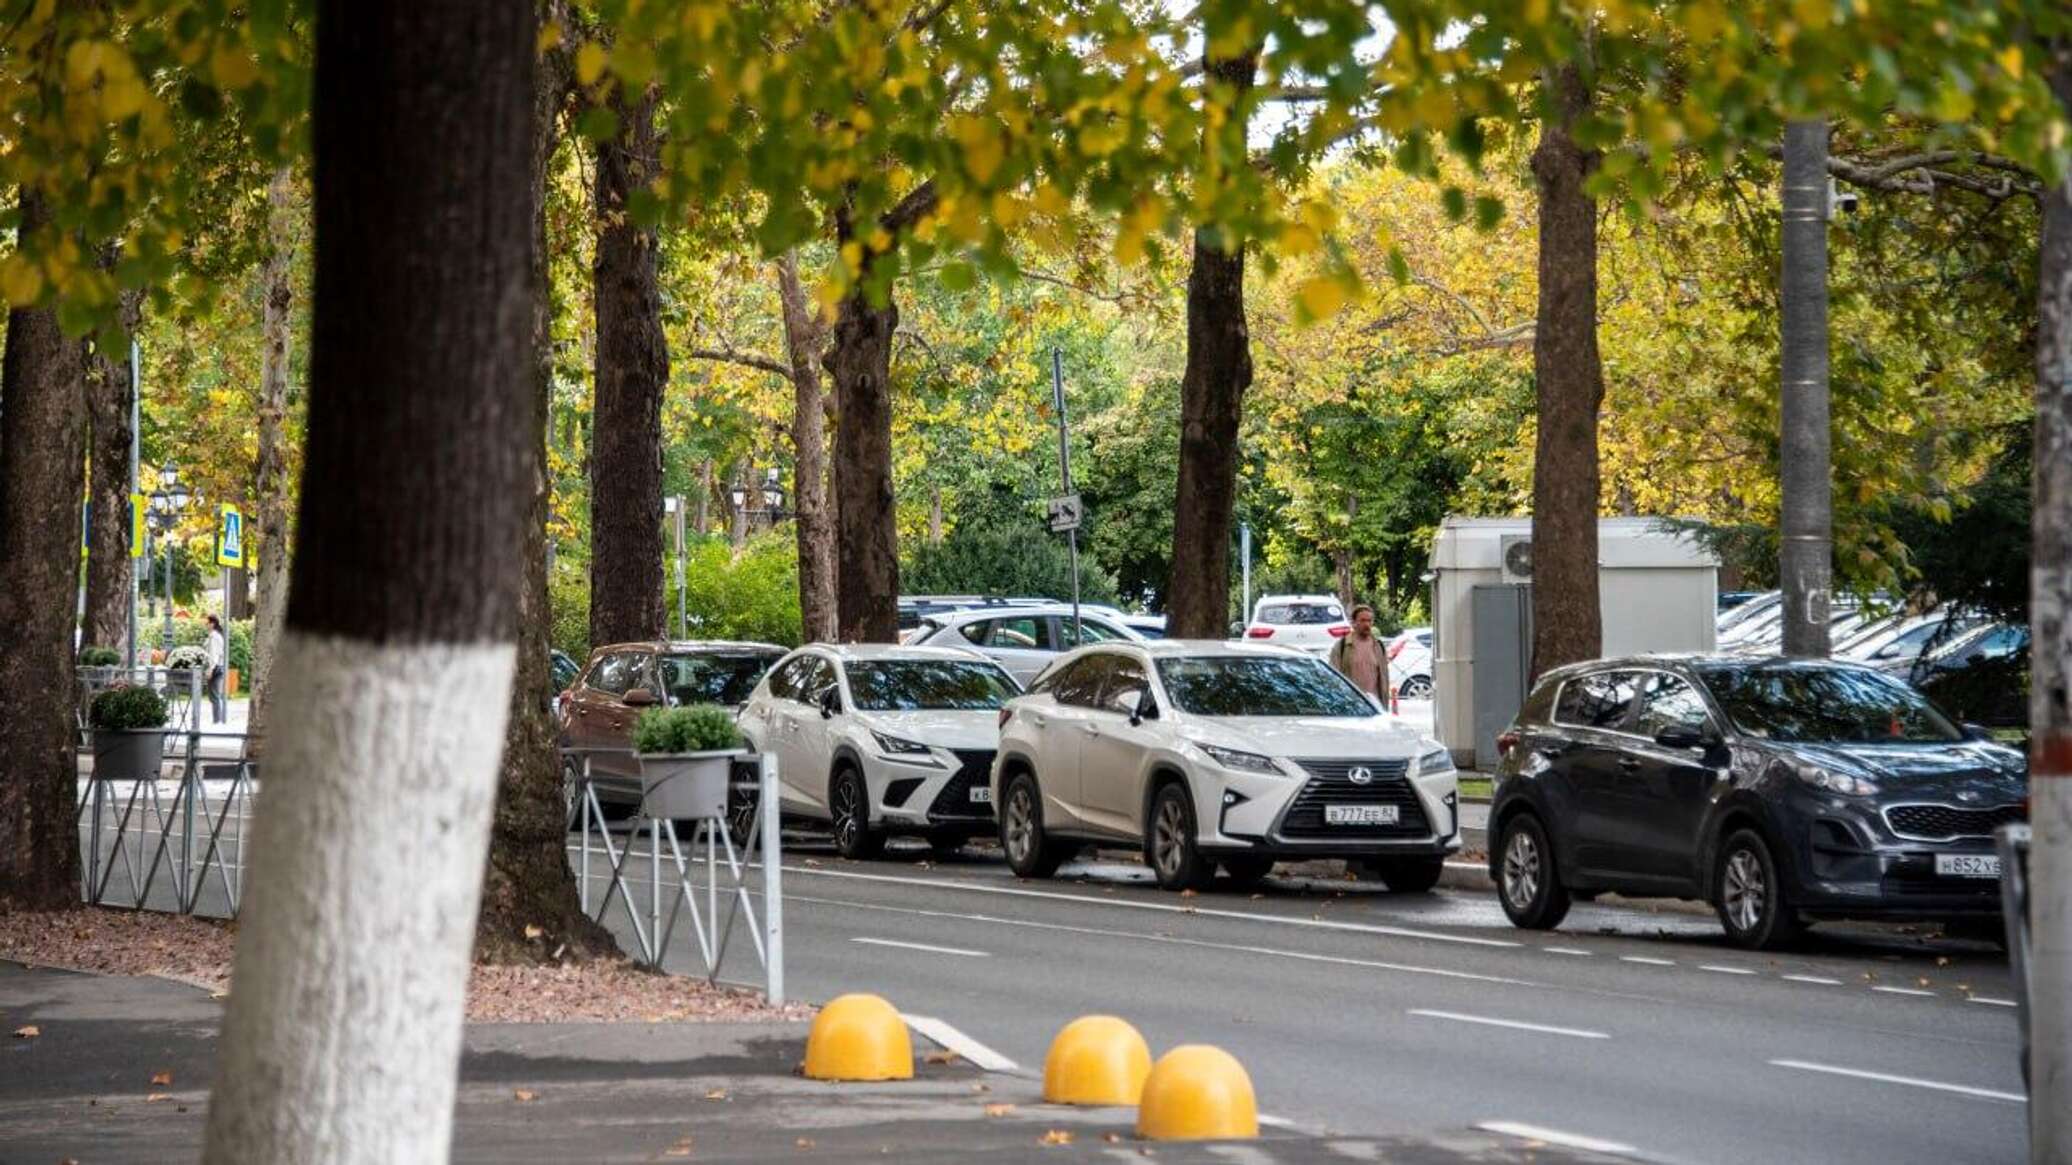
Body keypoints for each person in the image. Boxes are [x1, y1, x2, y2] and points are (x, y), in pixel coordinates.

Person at [1329, 603, 1391, 709]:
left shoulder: (1378, 646)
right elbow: (1333, 677)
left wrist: (1384, 706)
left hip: (1374, 706)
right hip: (1350, 705)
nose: (1367, 624)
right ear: (1354, 623)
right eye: (1362, 620)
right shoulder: (1342, 646)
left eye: (1369, 620)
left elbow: (1384, 679)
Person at [205, 614, 228, 725]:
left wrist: (210, 669)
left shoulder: (214, 637)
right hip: (218, 667)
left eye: (207, 623)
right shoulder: (216, 635)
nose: (206, 625)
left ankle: (217, 720)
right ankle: (217, 719)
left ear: (212, 624)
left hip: (215, 667)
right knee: (214, 695)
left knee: (214, 696)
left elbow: (213, 655)